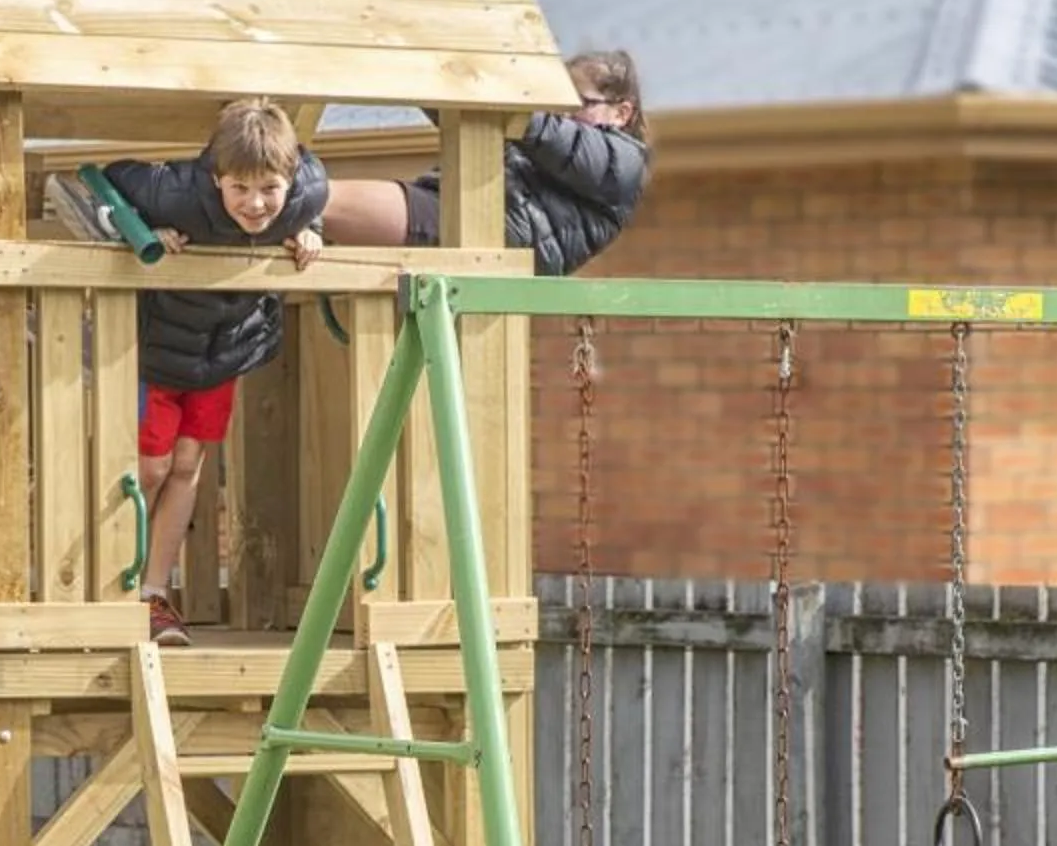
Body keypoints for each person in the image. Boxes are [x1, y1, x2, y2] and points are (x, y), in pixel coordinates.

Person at [48, 96, 326, 646]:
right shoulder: (177, 193)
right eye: (239, 188)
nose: (255, 204)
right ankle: (113, 588)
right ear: (216, 177)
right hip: (158, 348)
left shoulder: (305, 194)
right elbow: (111, 180)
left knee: (188, 464)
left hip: (223, 351)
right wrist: (147, 225)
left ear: (290, 180)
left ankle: (153, 595)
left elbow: (311, 202)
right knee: (149, 469)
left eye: (270, 189)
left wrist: (311, 228)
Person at [317, 49, 648, 276]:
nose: (563, 112)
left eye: (577, 103)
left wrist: (493, 92)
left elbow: (551, 134)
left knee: (317, 200)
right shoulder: (548, 149)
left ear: (622, 112)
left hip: (488, 232)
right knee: (314, 204)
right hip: (470, 212)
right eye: (558, 102)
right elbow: (484, 128)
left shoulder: (624, 163)